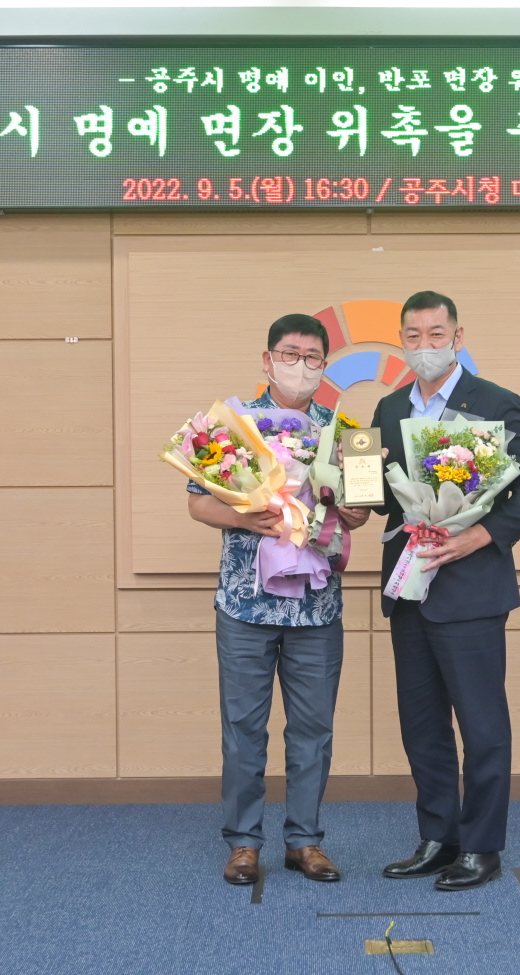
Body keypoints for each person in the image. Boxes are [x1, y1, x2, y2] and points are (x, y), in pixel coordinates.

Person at [371, 291, 520, 891]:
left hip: (471, 589)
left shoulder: (495, 402)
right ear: (402, 341)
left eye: (435, 333)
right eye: (413, 336)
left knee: (481, 725)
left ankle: (481, 847)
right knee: (421, 724)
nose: (424, 345)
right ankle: (438, 837)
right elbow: (383, 499)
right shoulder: (389, 407)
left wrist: (480, 536)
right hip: (409, 586)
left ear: (457, 336)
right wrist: (347, 488)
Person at [186, 313, 371, 886]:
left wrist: (344, 508)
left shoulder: (349, 430)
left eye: (312, 358)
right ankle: (243, 843)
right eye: (290, 355)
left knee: (313, 730)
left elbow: (362, 512)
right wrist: (251, 517)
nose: (301, 366)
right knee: (243, 729)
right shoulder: (232, 425)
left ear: (324, 366)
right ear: (268, 360)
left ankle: (305, 842)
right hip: (245, 603)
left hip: (317, 607)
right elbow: (198, 503)